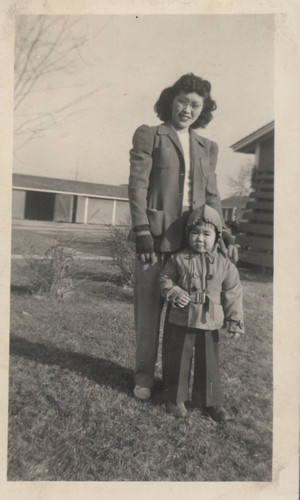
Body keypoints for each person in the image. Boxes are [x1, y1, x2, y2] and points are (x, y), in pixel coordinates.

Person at [128, 73, 238, 401]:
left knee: (186, 314)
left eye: (195, 105)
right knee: (148, 314)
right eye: (182, 101)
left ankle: (176, 381)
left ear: (202, 110)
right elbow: (137, 186)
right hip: (154, 242)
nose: (187, 109)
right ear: (170, 101)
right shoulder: (150, 135)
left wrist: (225, 235)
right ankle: (144, 377)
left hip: (193, 249)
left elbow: (213, 196)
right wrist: (142, 231)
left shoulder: (208, 147)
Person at [160, 204, 245, 420]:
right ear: (188, 235)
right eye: (195, 233)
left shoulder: (225, 265)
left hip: (210, 320)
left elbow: (232, 292)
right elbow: (165, 279)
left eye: (206, 234)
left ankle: (210, 402)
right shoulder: (178, 259)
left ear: (217, 237)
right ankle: (175, 398)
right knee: (178, 359)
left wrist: (234, 320)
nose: (200, 238)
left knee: (209, 361)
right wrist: (174, 291)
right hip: (182, 319)